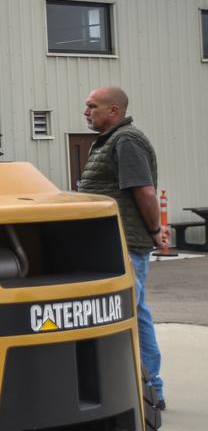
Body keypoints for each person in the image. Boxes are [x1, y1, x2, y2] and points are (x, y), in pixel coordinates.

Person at [76, 86, 166, 410]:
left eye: (92, 106)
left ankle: (149, 390)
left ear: (114, 111)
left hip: (126, 243)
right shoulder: (108, 142)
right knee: (135, 312)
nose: (86, 112)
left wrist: (156, 230)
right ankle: (148, 389)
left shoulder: (126, 140)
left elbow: (144, 191)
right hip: (113, 242)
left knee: (131, 314)